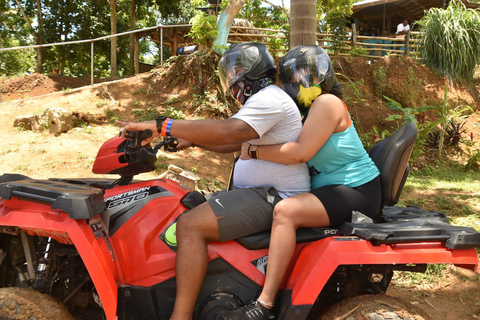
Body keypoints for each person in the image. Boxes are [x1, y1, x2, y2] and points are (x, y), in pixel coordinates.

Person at [117, 42, 310, 320]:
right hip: (261, 194)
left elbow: (230, 132)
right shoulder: (264, 101)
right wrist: (191, 140)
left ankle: (179, 317)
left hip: (274, 196)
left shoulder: (270, 98)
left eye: (237, 71)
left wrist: (163, 125)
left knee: (190, 225)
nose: (232, 79)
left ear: (255, 71)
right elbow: (233, 141)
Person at [219, 45, 381, 320]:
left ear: (324, 74)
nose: (303, 82)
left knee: (286, 211)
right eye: (294, 76)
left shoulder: (327, 103)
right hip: (332, 190)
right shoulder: (303, 113)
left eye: (310, 74)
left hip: (356, 190)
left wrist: (253, 152)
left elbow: (299, 153)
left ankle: (265, 304)